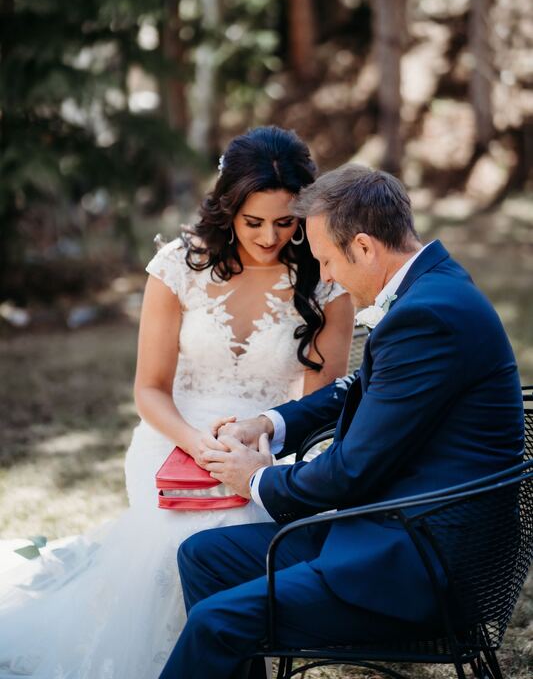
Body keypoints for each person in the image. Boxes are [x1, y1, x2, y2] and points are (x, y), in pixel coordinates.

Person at [0, 127, 354, 679]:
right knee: (179, 533)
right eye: (252, 221)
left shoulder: (327, 283)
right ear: (227, 207)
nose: (268, 237)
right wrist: (197, 445)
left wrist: (260, 458)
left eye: (285, 223)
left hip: (269, 444)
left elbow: (322, 404)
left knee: (238, 515)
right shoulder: (177, 266)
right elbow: (149, 389)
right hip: (173, 436)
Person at [158, 164, 525, 679]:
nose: (325, 275)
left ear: (365, 246)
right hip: (391, 531)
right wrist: (267, 424)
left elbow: (350, 472)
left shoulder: (429, 317)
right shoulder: (431, 291)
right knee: (205, 555)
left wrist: (255, 477)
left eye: (328, 260)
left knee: (216, 622)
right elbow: (354, 389)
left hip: (418, 567)